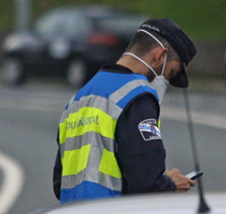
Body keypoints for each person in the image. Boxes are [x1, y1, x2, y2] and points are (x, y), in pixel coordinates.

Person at [53, 18, 197, 202]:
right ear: (160, 55)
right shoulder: (137, 97)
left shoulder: (79, 99)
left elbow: (60, 183)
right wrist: (170, 184)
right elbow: (147, 183)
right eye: (171, 74)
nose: (166, 82)